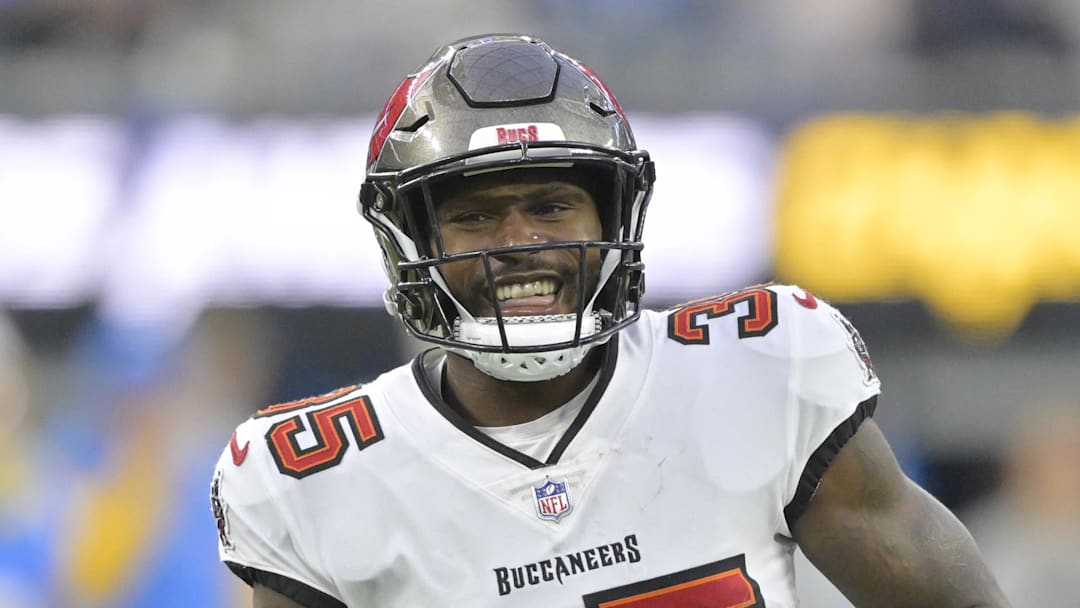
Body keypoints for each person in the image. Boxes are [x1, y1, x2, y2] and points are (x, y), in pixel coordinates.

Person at [210, 34, 1010, 607]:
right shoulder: (314, 481)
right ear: (411, 242)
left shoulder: (758, 368)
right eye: (476, 218)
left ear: (615, 215)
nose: (519, 245)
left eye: (551, 206)